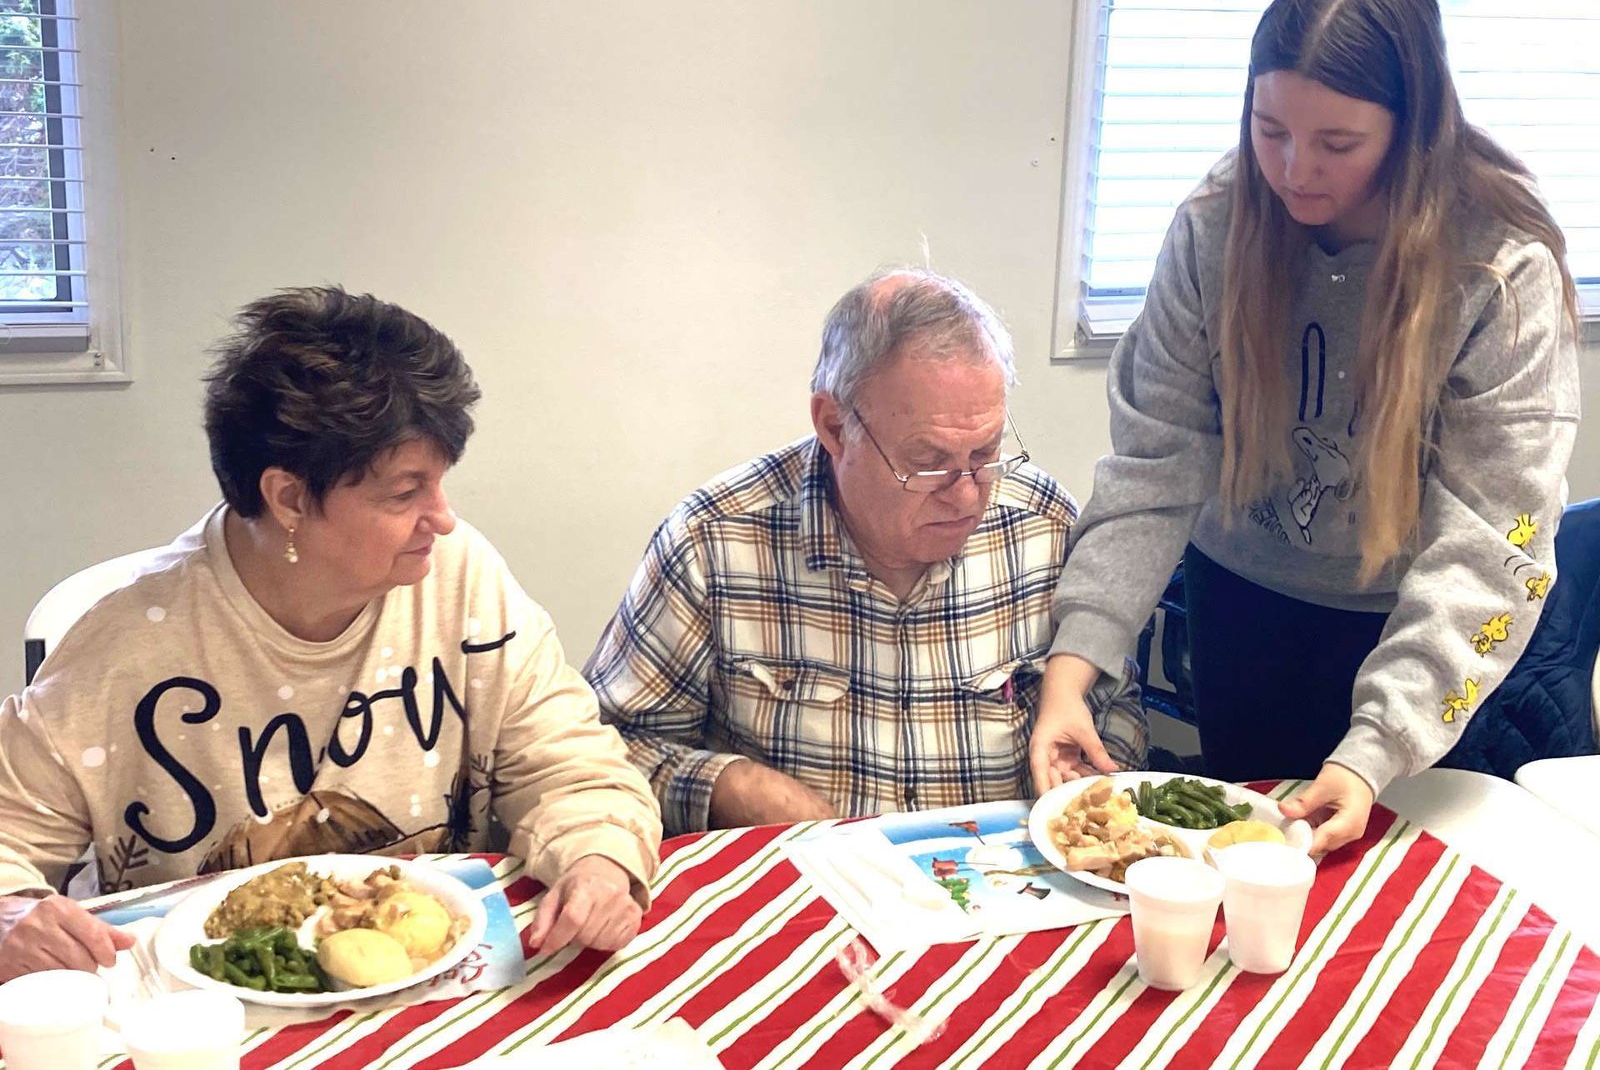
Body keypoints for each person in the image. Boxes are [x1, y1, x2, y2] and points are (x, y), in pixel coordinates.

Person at [1030, 0, 1582, 856]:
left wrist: (1377, 748)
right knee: (1244, 868)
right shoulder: (1215, 227)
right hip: (1243, 606)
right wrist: (1074, 666)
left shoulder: (1497, 264)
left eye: (1338, 143)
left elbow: (1492, 540)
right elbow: (1153, 462)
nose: (1294, 169)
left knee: (1386, 885)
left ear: (1413, 129)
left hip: (1418, 622)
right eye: (1270, 129)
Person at [0, 288, 663, 982]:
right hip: (208, 1006)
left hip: (429, 984)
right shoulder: (128, 645)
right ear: (288, 497)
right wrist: (13, 915)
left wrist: (599, 859)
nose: (442, 518)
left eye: (440, 483)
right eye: (405, 493)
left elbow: (570, 765)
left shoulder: (460, 578)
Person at [586, 269, 1146, 837]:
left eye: (985, 452)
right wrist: (734, 787)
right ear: (834, 426)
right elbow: (604, 748)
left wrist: (1092, 784)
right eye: (927, 462)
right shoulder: (714, 540)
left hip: (1003, 871)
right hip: (805, 874)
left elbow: (1115, 710)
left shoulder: (1042, 526)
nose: (967, 495)